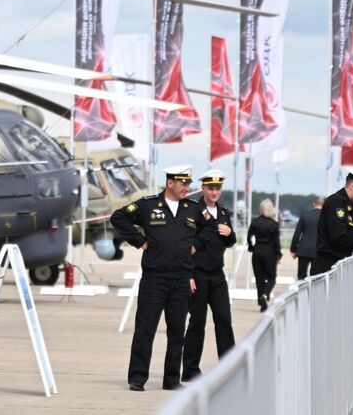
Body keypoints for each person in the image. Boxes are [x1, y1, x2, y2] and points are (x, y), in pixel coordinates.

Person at [109, 164, 203, 392]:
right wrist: (138, 240)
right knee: (145, 329)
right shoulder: (148, 205)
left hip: (181, 279)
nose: (186, 187)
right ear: (170, 182)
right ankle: (137, 378)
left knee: (177, 332)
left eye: (188, 183)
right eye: (183, 183)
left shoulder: (192, 209)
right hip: (155, 278)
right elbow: (118, 217)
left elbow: (206, 232)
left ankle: (172, 380)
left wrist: (195, 247)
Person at [183, 171, 237, 379]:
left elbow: (230, 241)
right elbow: (187, 245)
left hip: (217, 274)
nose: (215, 192)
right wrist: (188, 275)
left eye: (218, 188)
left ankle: (229, 366)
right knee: (197, 322)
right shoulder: (194, 210)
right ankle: (190, 370)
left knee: (223, 319)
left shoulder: (223, 212)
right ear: (203, 188)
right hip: (197, 274)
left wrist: (230, 234)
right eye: (210, 188)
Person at [246, 198, 281, 311]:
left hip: (257, 251)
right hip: (269, 251)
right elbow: (276, 241)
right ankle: (265, 295)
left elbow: (249, 237)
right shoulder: (274, 224)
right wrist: (278, 254)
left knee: (259, 278)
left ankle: (262, 304)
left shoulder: (255, 222)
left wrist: (251, 247)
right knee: (272, 278)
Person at [292, 197, 322, 279]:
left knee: (301, 277)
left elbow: (297, 234)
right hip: (319, 250)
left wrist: (293, 249)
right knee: (317, 277)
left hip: (303, 249)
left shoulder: (305, 215)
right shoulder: (326, 217)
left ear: (314, 204)